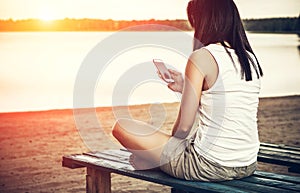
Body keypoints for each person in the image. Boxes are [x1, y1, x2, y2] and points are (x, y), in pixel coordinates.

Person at [112, 0, 263, 181]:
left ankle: (156, 162)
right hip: (247, 163)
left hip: (209, 165)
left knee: (121, 127)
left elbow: (184, 128)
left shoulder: (202, 57)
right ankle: (155, 161)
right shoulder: (249, 58)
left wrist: (165, 153)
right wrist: (186, 87)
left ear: (203, 21)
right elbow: (224, 99)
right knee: (151, 151)